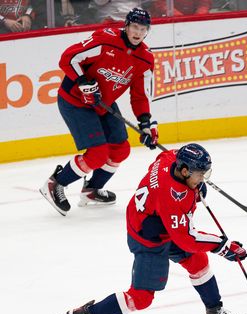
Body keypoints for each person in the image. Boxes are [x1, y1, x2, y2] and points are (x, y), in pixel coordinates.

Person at [54, 143, 247, 314]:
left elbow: (160, 158)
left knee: (197, 260)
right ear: (184, 171)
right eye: (200, 174)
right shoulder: (171, 196)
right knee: (141, 297)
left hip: (158, 222)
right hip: (148, 237)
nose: (203, 178)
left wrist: (195, 186)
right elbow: (185, 239)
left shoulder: (170, 159)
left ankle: (214, 312)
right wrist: (223, 246)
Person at [39, 7, 158, 215]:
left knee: (121, 149)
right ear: (126, 26)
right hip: (75, 100)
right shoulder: (106, 40)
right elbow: (68, 58)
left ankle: (91, 190)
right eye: (135, 27)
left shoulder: (145, 59)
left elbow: (140, 95)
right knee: (97, 154)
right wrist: (83, 81)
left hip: (103, 103)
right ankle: (55, 184)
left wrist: (146, 123)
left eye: (143, 29)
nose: (138, 33)